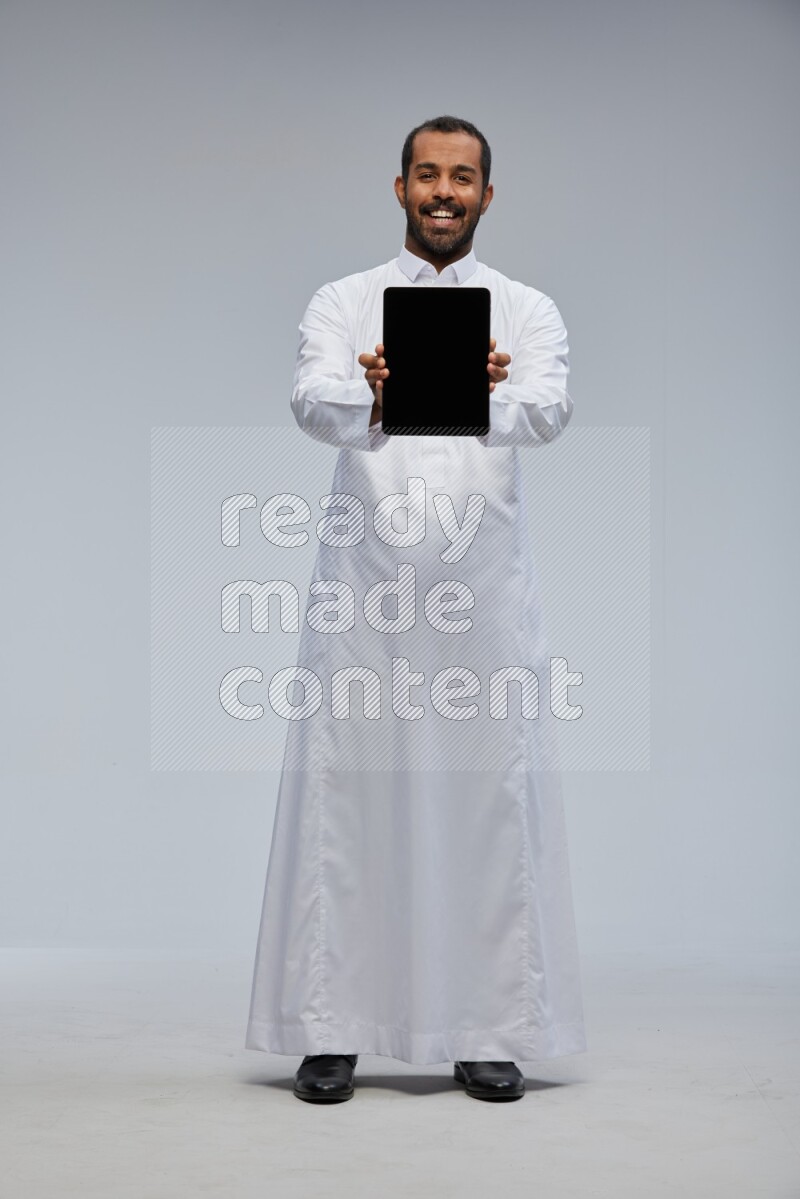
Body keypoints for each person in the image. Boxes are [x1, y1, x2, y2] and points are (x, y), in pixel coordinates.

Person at [245, 115, 586, 1103]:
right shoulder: (345, 302)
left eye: (463, 177)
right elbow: (311, 401)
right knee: (348, 790)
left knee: (486, 794)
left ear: (487, 194)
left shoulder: (524, 310)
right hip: (367, 591)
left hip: (480, 590)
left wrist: (478, 390)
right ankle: (331, 1024)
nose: (444, 190)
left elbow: (549, 407)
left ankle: (486, 1026)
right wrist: (377, 393)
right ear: (398, 188)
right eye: (427, 174)